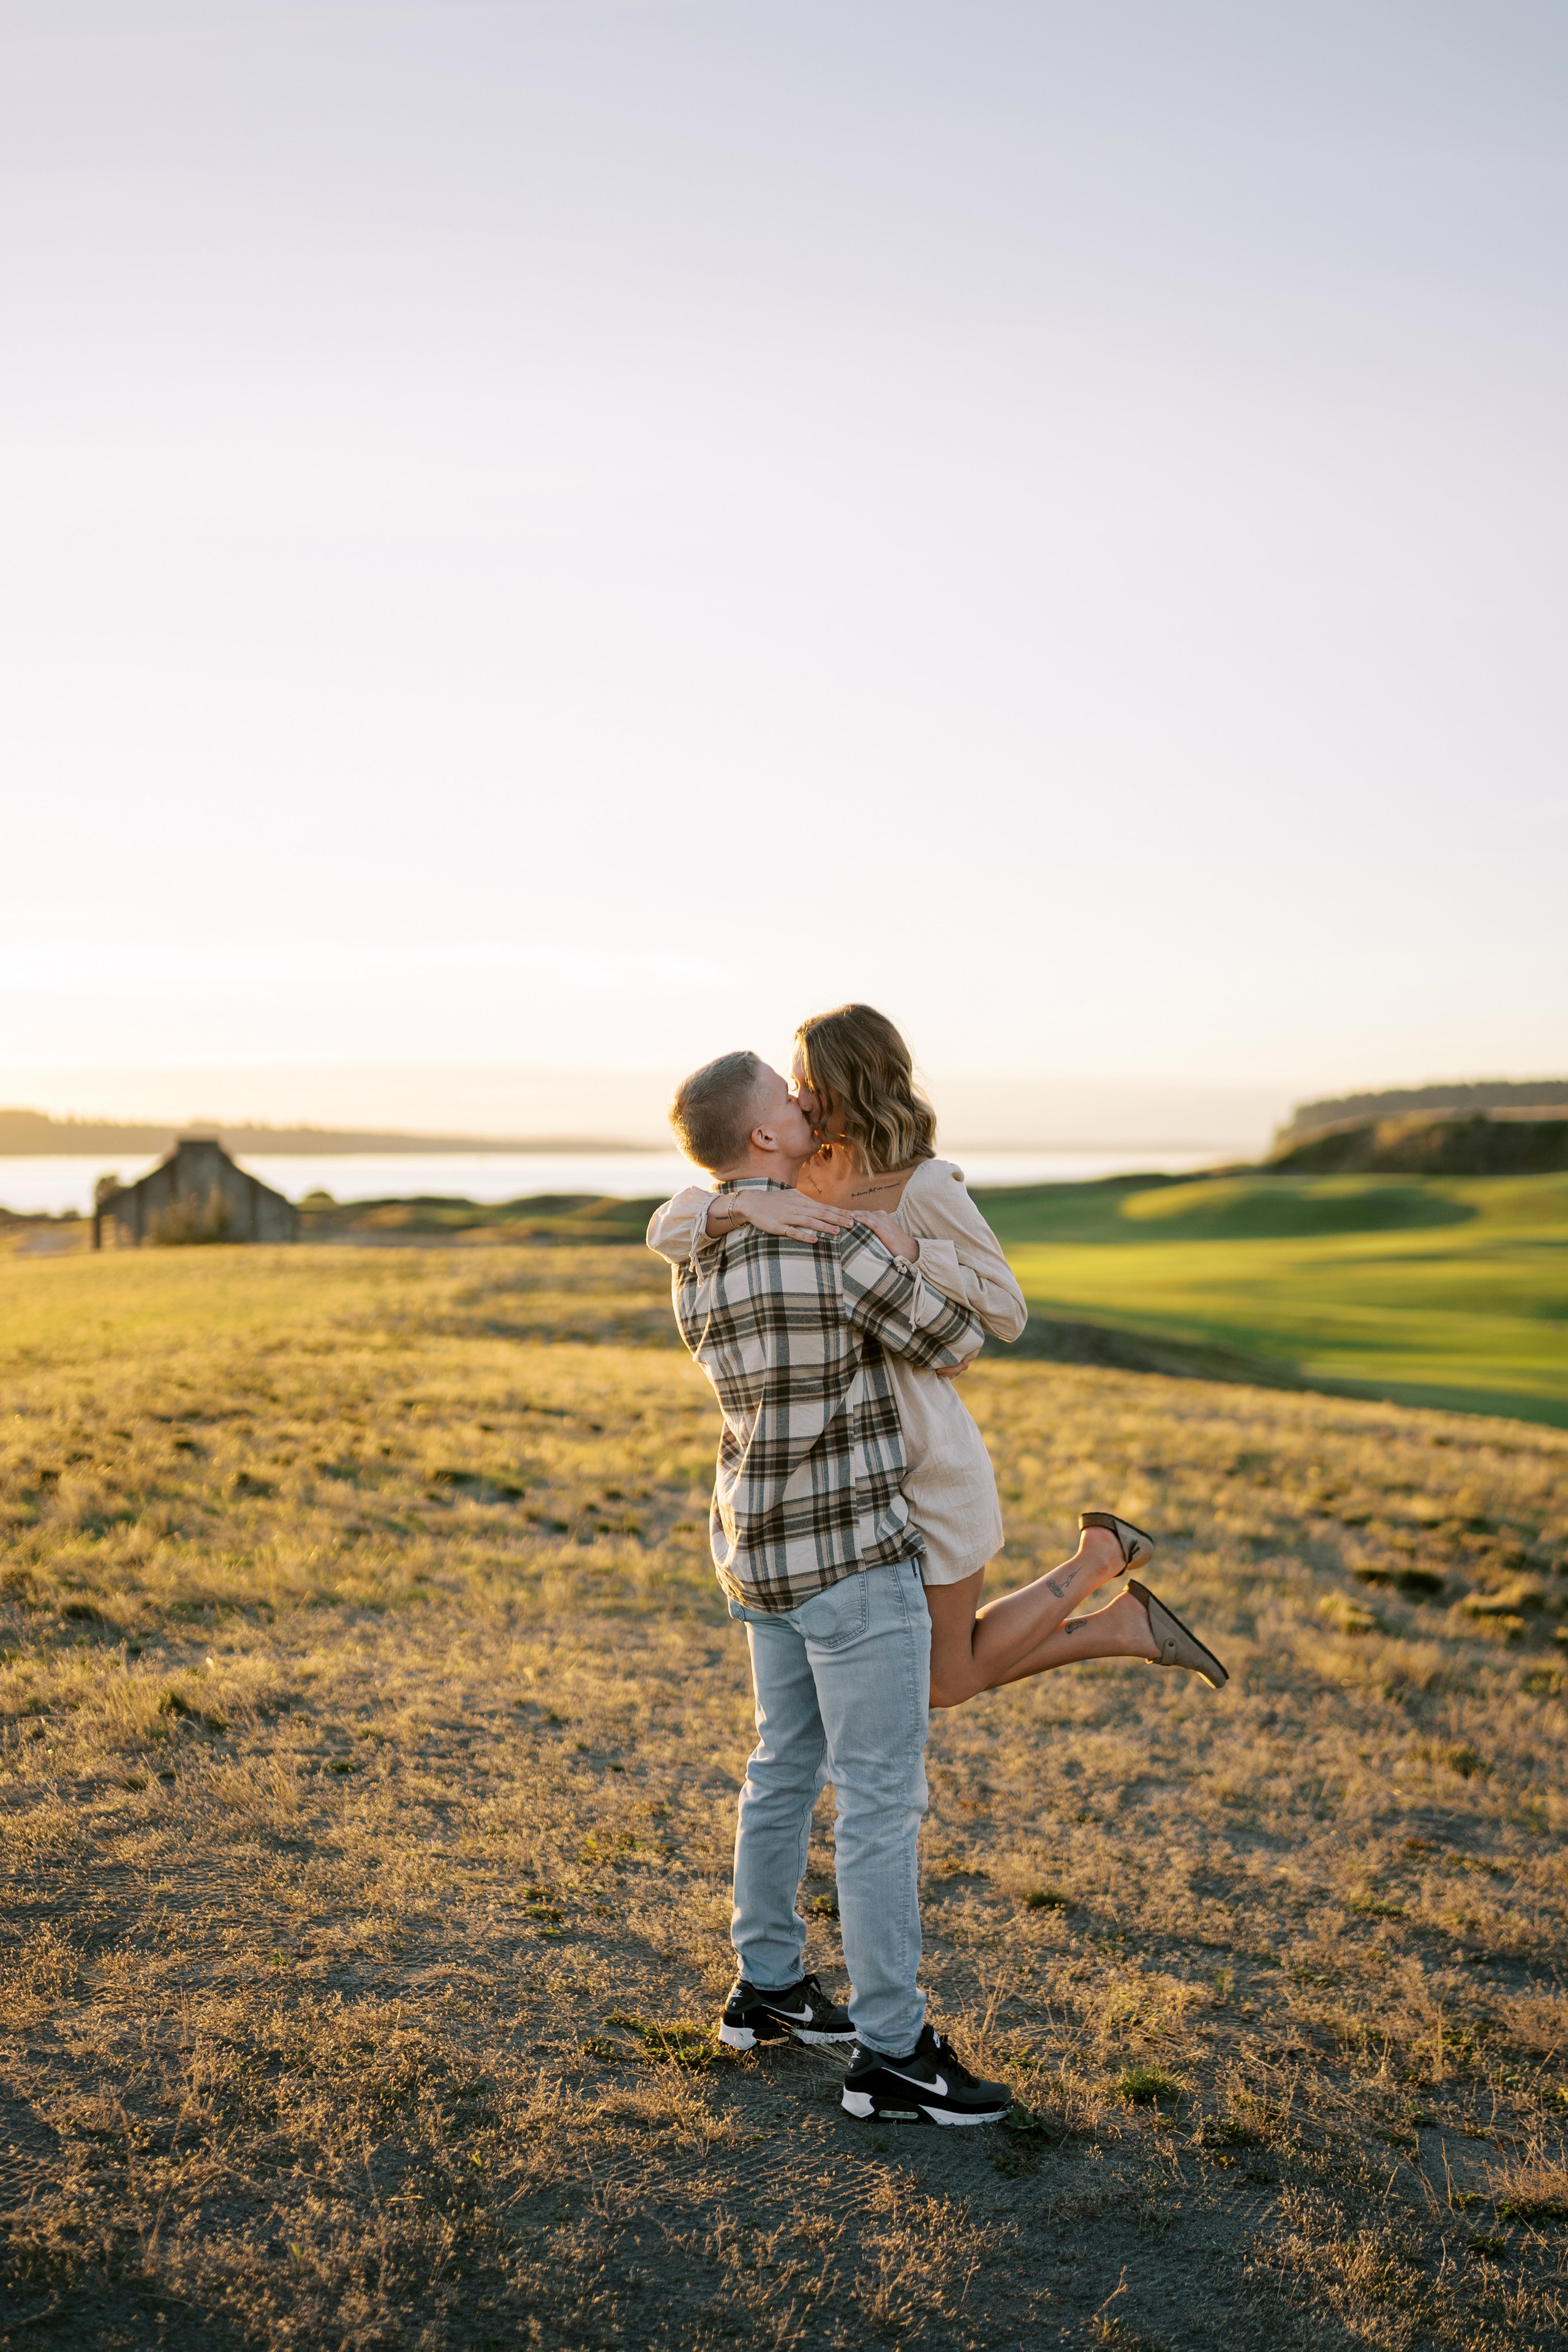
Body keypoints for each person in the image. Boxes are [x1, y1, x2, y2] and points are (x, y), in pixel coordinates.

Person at [648, 1003, 1228, 1710]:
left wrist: (914, 1250)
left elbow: (1006, 1312)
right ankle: (1121, 1614)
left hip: (927, 1459)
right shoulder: (799, 1175)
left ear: (849, 1081)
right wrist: (735, 1210)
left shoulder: (922, 1184)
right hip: (852, 1476)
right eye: (790, 1084)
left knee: (938, 1681)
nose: (796, 1097)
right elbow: (670, 1224)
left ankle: (1099, 1569)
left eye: (806, 1082)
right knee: (925, 1674)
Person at [655, 1046, 1016, 2125]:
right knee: (876, 1803)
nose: (804, 1101)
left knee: (782, 1766)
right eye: (785, 1095)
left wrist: (724, 1214)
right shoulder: (837, 1244)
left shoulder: (698, 1257)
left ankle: (767, 1987)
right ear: (764, 1137)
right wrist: (900, 1247)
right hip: (854, 1559)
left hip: (758, 1553)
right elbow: (957, 1339)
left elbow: (684, 1216)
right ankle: (896, 2053)